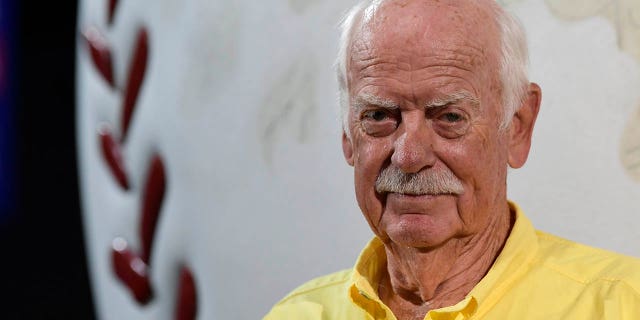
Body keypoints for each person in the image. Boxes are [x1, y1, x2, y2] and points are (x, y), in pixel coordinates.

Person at [264, 0, 640, 319]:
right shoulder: (296, 313)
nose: (410, 157)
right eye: (379, 116)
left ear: (518, 127)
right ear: (347, 134)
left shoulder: (620, 304)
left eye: (449, 117)